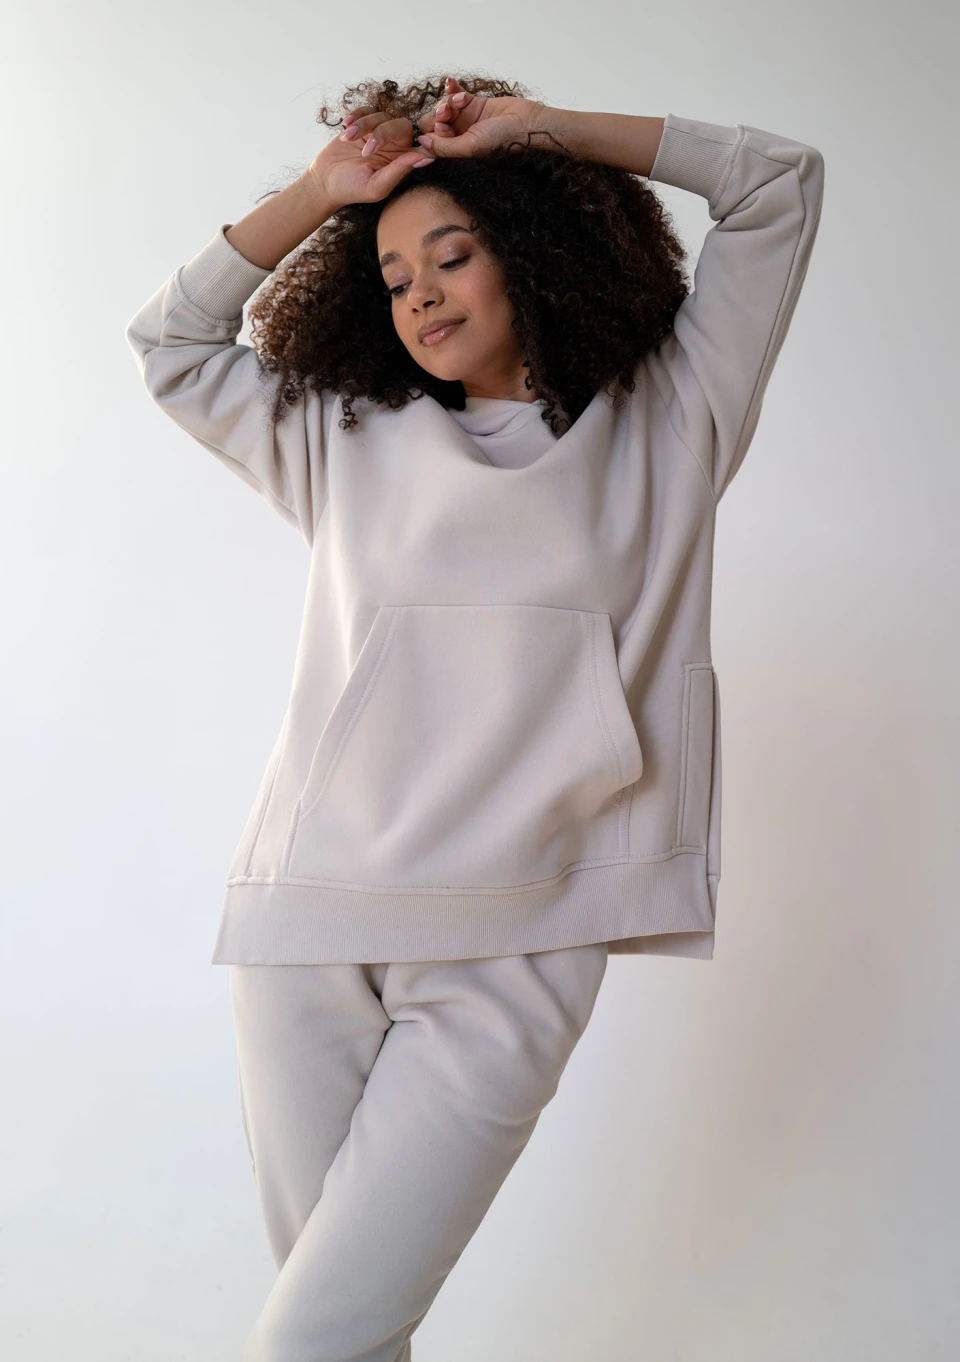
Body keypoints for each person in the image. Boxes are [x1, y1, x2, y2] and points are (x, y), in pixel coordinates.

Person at [125, 72, 825, 1361]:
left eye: (451, 256)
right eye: (394, 277)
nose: (422, 296)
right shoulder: (343, 435)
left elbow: (778, 182)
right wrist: (318, 195)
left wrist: (544, 132)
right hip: (311, 924)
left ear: (537, 250)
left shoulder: (677, 416)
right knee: (348, 1336)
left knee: (310, 1343)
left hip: (521, 939)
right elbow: (170, 343)